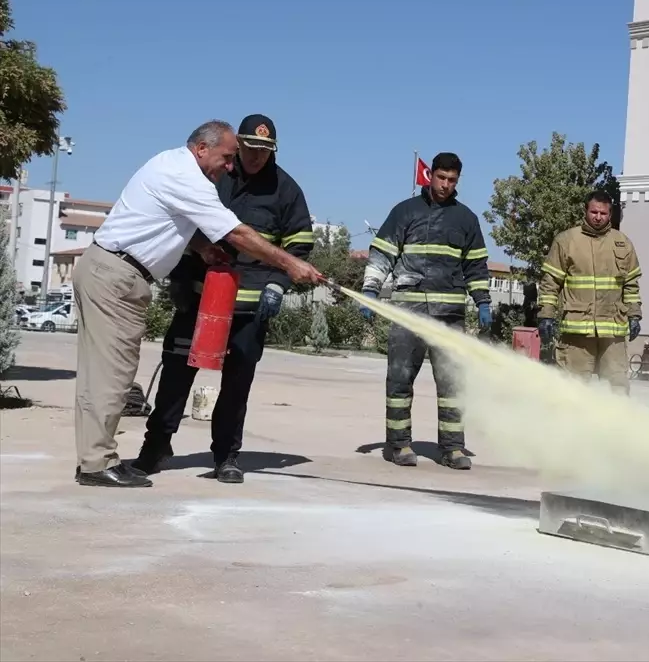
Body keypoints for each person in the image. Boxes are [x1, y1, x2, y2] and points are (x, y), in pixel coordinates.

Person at [73, 120, 323, 488]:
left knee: (231, 383)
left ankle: (223, 456)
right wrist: (287, 263)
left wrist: (272, 280)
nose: (235, 163)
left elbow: (174, 226)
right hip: (177, 292)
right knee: (136, 376)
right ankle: (130, 455)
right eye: (233, 153)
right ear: (204, 148)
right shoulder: (193, 176)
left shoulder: (281, 189)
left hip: (243, 305)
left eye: (257, 151)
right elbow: (234, 232)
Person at [360, 152, 490, 471]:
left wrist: (483, 300)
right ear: (430, 175)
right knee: (400, 380)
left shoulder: (466, 219)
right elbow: (382, 255)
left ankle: (452, 449)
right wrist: (370, 289)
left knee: (451, 386)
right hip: (409, 312)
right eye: (441, 178)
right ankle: (398, 444)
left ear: (458, 181)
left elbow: (476, 266)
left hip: (449, 317)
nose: (445, 185)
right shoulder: (405, 212)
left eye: (452, 180)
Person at [537, 190, 643, 395]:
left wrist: (634, 315)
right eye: (593, 212)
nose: (598, 217)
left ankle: (616, 426)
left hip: (612, 331)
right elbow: (550, 282)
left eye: (603, 213)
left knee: (617, 388)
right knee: (572, 389)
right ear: (585, 211)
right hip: (576, 332)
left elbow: (631, 284)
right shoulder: (566, 240)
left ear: (610, 214)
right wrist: (546, 315)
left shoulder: (622, 243)